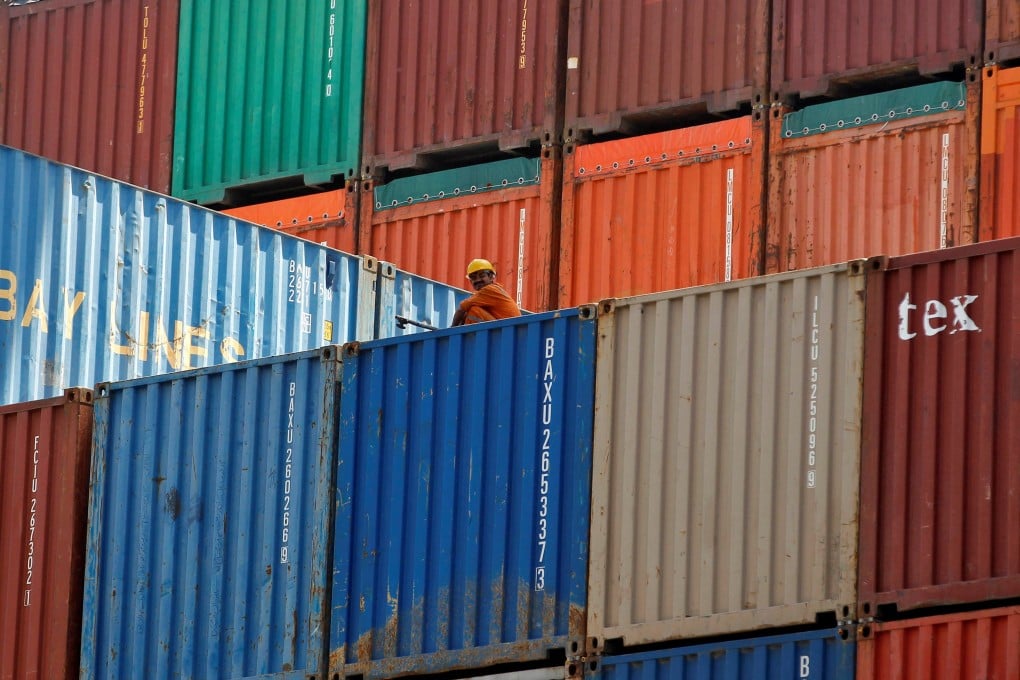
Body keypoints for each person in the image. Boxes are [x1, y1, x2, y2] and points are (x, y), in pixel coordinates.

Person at [451, 258, 522, 326]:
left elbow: (461, 309)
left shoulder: (489, 290)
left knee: (473, 311)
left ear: (491, 277)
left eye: (482, 276)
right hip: (508, 330)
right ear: (470, 281)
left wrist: (451, 332)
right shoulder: (492, 292)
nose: (478, 280)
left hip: (505, 330)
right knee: (467, 313)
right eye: (473, 278)